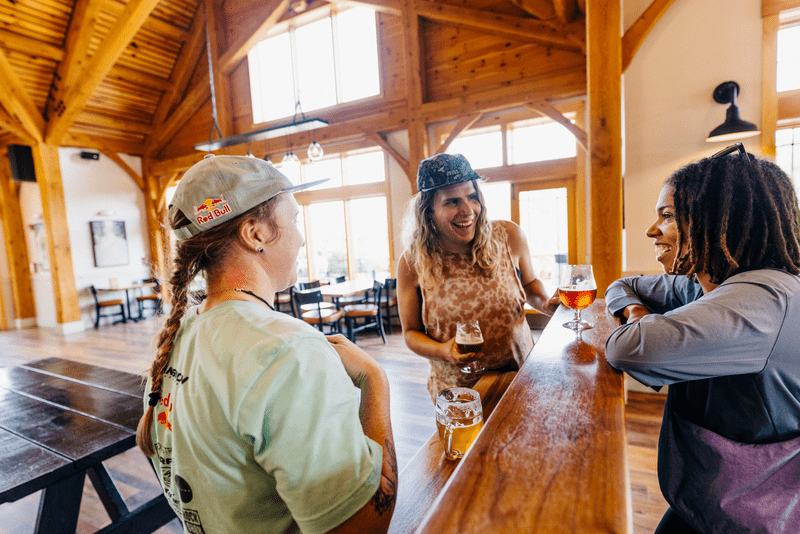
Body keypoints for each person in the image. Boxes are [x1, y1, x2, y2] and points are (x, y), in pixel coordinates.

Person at [135, 155, 397, 534]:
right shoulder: (288, 353)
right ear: (255, 233)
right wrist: (375, 380)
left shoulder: (180, 336)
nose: (302, 237)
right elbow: (363, 528)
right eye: (293, 220)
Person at [604, 143, 800, 534]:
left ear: (719, 219)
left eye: (667, 216)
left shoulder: (760, 303)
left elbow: (628, 348)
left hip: (753, 517)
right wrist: (638, 311)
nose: (651, 231)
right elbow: (622, 284)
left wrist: (638, 323)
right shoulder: (710, 284)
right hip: (705, 503)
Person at [397, 153, 559, 403]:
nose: (467, 211)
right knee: (465, 444)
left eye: (472, 197)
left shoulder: (509, 235)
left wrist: (547, 303)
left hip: (519, 377)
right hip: (458, 394)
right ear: (428, 211)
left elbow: (529, 284)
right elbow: (410, 333)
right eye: (452, 202)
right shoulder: (412, 262)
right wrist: (443, 351)